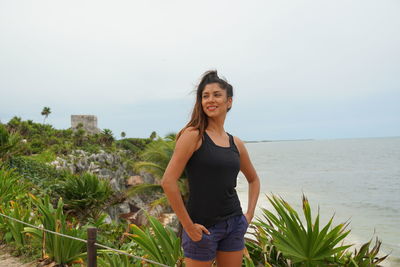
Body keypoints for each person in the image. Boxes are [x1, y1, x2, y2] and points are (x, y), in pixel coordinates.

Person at [161, 70, 260, 267]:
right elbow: (168, 181)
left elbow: (253, 180)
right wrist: (188, 226)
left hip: (234, 224)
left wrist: (248, 215)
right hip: (202, 228)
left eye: (216, 95)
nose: (210, 100)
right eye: (205, 96)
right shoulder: (193, 135)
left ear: (229, 101)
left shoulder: (236, 143)